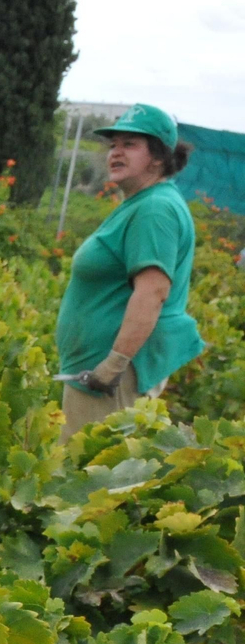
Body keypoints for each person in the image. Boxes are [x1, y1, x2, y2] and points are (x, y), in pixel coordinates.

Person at [55, 104, 204, 439]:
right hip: (98, 372)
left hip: (111, 379)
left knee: (88, 480)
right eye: (113, 145)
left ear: (158, 157)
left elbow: (153, 291)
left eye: (130, 144)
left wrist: (113, 365)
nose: (116, 153)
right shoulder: (143, 203)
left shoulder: (155, 208)